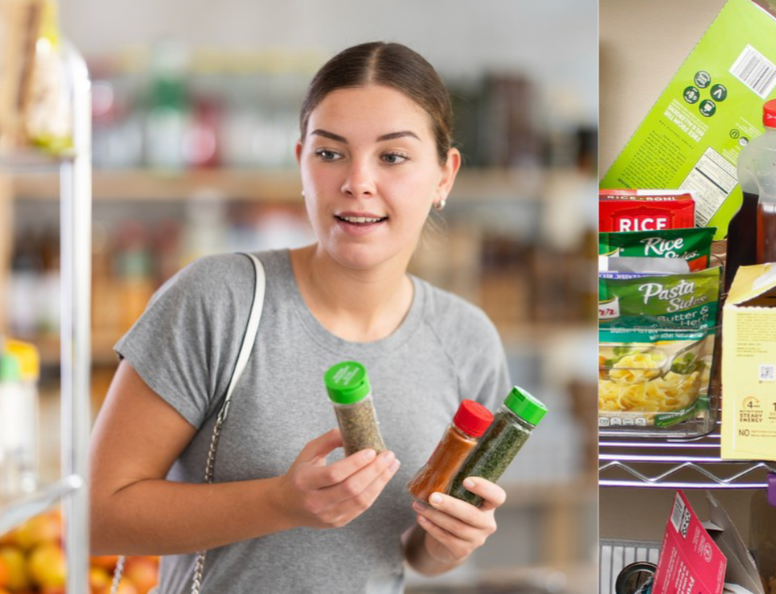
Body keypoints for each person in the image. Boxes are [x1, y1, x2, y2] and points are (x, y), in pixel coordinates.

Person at [89, 42, 512, 592]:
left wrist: (448, 541)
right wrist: (279, 502)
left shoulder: (467, 341)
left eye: (392, 156)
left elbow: (411, 553)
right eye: (330, 153)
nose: (358, 181)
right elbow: (97, 515)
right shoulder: (218, 300)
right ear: (301, 162)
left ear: (444, 175)